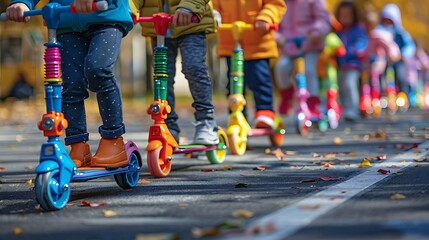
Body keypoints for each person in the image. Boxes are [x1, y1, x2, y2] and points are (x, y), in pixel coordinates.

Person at [6, 0, 134, 168]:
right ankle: (78, 145)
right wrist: (22, 2)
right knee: (71, 84)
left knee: (98, 70)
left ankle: (113, 139)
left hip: (105, 16)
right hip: (66, 20)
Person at [130, 0, 219, 145]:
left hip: (191, 24)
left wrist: (189, 6)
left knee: (194, 68)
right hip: (158, 25)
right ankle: (168, 124)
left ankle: (206, 121)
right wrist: (129, 9)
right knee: (162, 75)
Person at [212, 0, 286, 129]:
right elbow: (212, 5)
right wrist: (213, 15)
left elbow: (275, 4)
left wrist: (265, 17)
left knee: (259, 78)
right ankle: (236, 114)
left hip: (258, 42)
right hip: (230, 42)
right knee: (233, 83)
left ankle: (264, 111)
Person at [275, 0, 330, 116]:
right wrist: (277, 37)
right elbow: (275, 24)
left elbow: (323, 19)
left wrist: (316, 32)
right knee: (281, 68)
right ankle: (287, 96)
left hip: (310, 44)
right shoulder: (282, 2)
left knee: (309, 70)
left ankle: (312, 102)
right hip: (289, 45)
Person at [335, 1, 368, 122]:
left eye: (348, 15)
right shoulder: (337, 31)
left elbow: (361, 43)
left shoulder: (358, 29)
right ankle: (345, 108)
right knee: (341, 86)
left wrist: (349, 51)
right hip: (340, 65)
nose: (345, 18)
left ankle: (352, 109)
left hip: (353, 64)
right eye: (342, 15)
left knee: (349, 85)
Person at [363, 6, 400, 102]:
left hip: (377, 61)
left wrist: (392, 55)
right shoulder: (366, 35)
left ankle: (378, 97)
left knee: (377, 80)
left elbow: (389, 46)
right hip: (368, 61)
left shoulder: (378, 35)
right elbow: (365, 48)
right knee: (367, 80)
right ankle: (369, 97)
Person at [380, 3, 416, 96]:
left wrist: (403, 54)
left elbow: (410, 46)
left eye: (390, 20)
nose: (387, 23)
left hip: (398, 60)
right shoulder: (380, 31)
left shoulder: (400, 33)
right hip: (385, 60)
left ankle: (403, 95)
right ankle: (384, 96)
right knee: (381, 77)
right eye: (385, 20)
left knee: (401, 76)